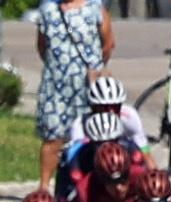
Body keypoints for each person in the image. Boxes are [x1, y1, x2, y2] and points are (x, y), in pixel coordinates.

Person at [32, 0, 109, 185]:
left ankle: (91, 183)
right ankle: (44, 187)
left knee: (92, 136)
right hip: (55, 86)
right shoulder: (48, 9)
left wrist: (96, 67)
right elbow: (42, 46)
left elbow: (108, 45)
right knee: (52, 137)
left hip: (87, 86)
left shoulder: (95, 8)